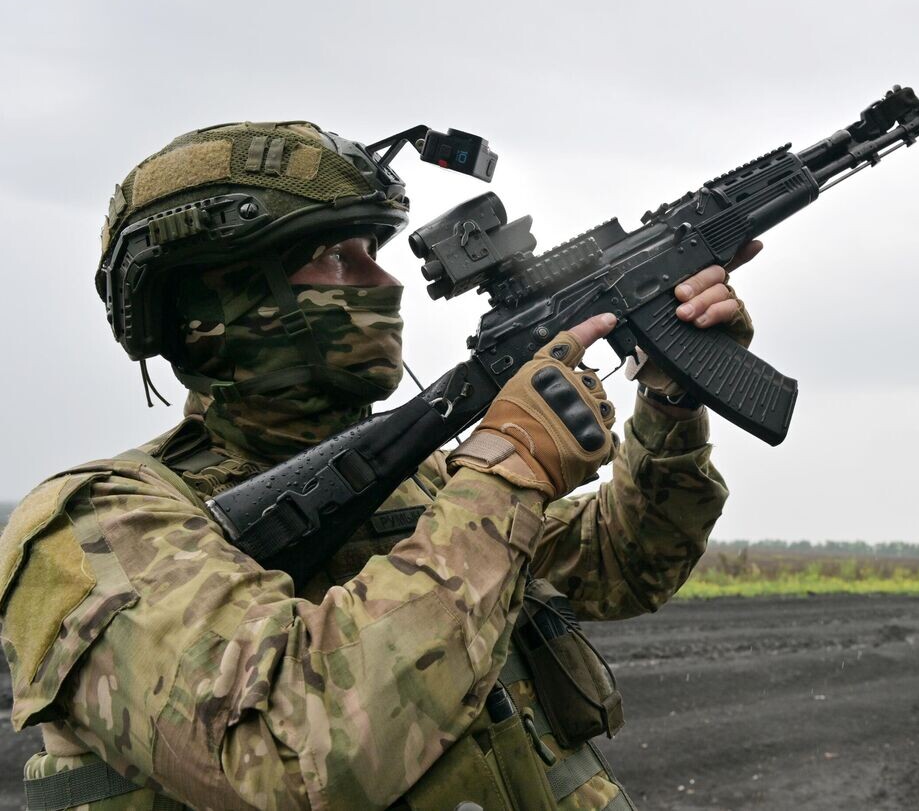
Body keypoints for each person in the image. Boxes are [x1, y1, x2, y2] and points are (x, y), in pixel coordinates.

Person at [0, 121, 759, 810]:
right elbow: (293, 757)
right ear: (215, 296)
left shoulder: (423, 479)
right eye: (337, 259)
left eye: (373, 253)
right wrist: (510, 466)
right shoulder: (94, 530)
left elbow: (624, 566)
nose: (385, 283)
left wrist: (669, 398)